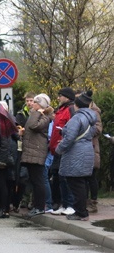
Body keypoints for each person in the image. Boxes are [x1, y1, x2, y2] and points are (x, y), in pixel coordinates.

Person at [55, 91, 97, 221]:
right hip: (87, 150)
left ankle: (81, 212)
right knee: (81, 183)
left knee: (75, 183)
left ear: (76, 106)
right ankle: (81, 211)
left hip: (76, 153)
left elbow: (70, 138)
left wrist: (59, 149)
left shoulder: (77, 118)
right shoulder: (91, 118)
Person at [19, 93, 53, 217]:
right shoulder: (38, 114)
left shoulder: (44, 116)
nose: (32, 104)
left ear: (40, 105)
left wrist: (37, 112)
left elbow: (33, 126)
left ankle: (40, 207)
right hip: (31, 152)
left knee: (38, 181)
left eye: (35, 102)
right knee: (34, 180)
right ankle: (36, 205)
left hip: (37, 152)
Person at [50, 87, 76, 215]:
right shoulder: (60, 110)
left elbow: (72, 128)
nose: (58, 98)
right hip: (56, 149)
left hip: (64, 148)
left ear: (67, 97)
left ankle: (70, 204)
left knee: (65, 178)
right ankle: (62, 204)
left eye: (60, 96)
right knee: (58, 177)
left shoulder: (70, 110)